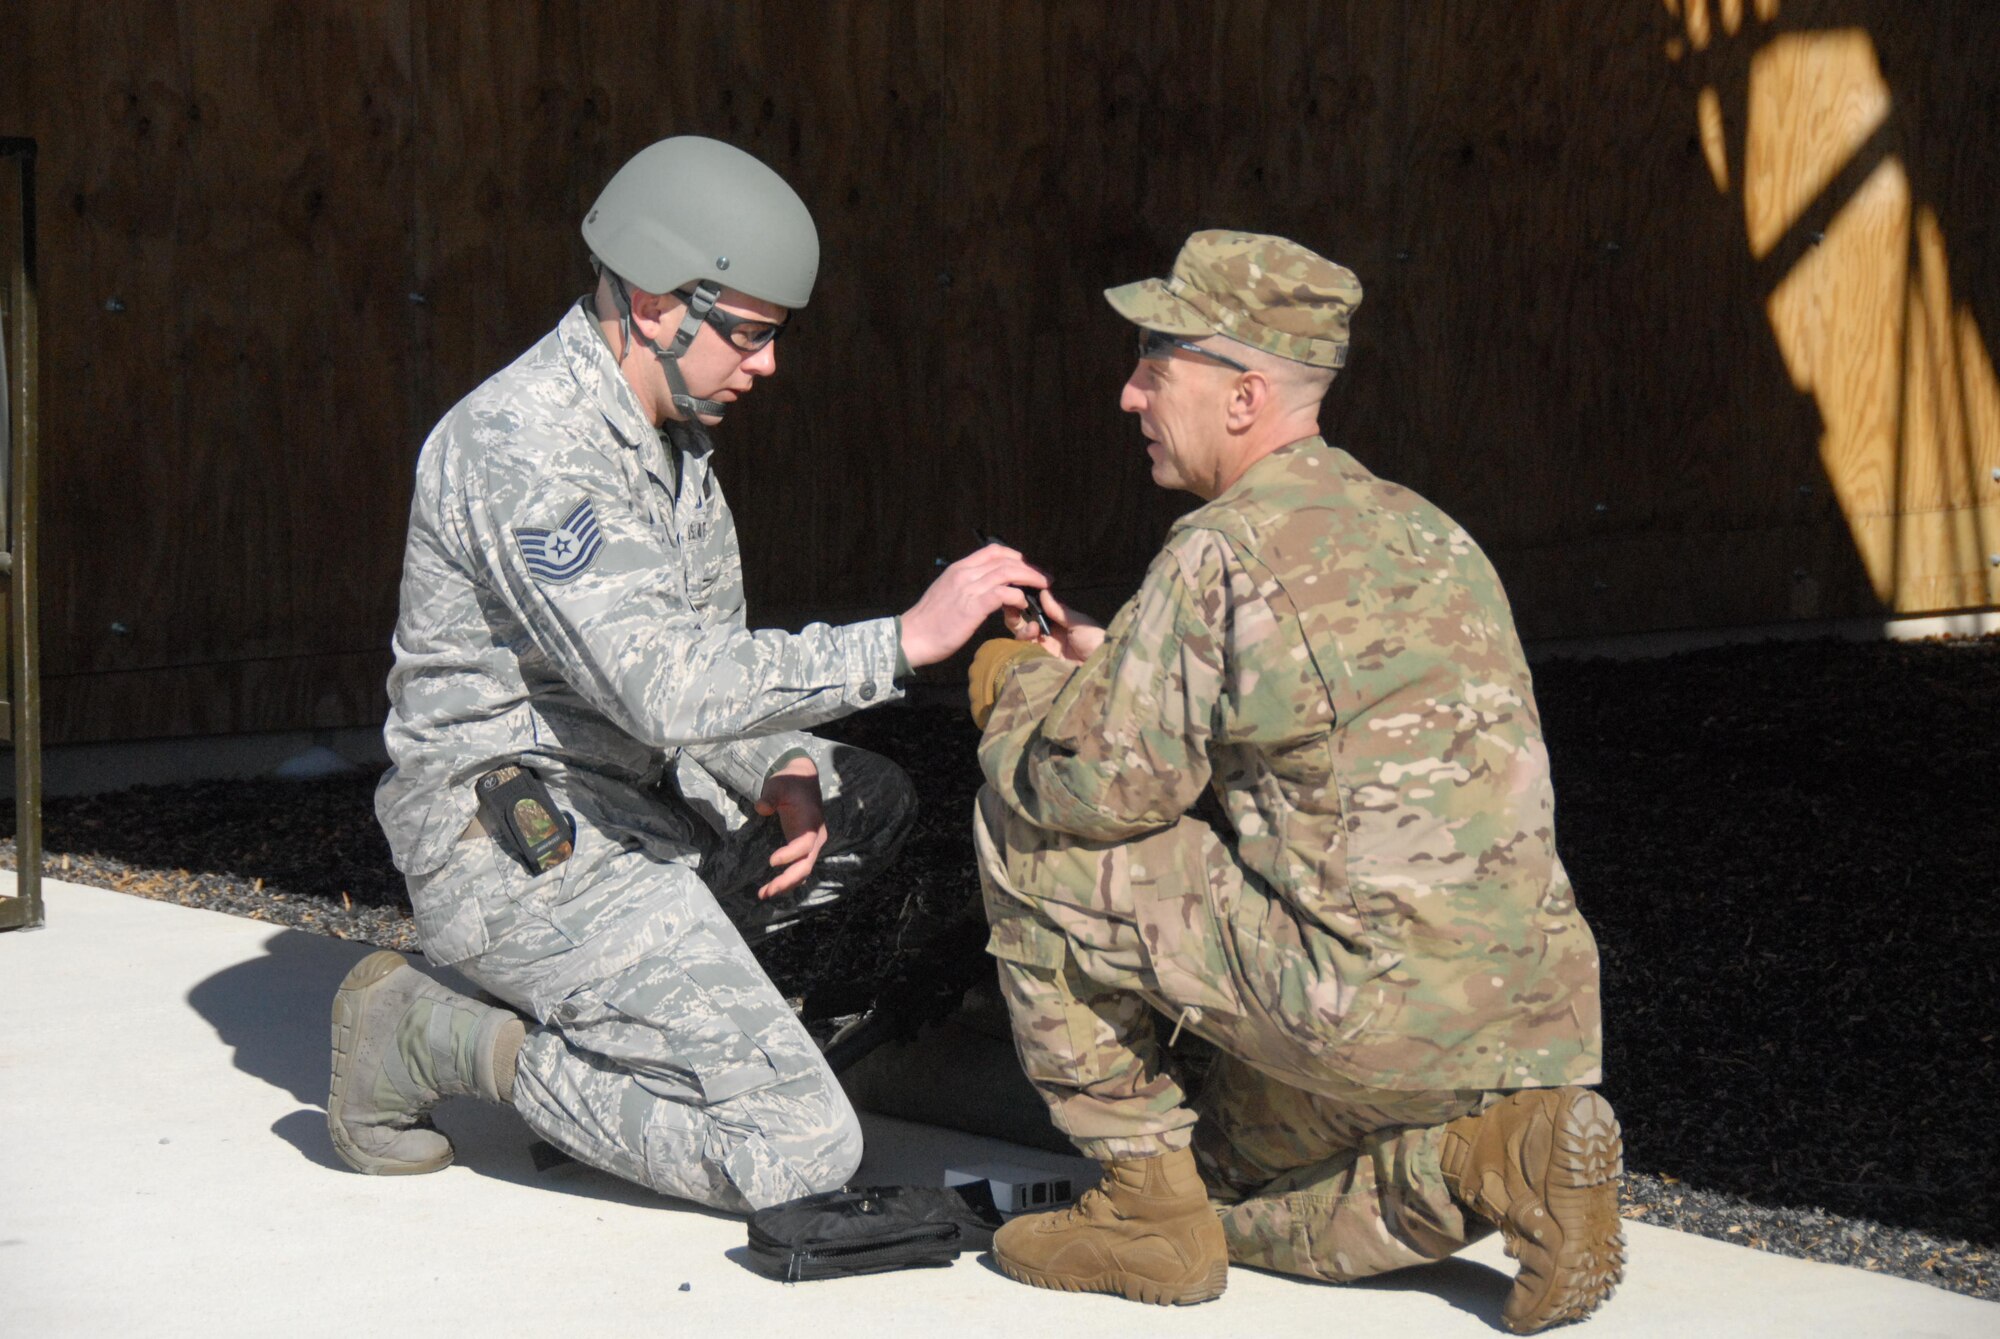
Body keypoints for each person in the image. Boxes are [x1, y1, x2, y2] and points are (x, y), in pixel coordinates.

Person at [326, 136, 1045, 1213]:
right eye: (748, 335)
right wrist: (899, 641)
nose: (765, 366)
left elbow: (702, 663)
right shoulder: (525, 446)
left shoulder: (671, 435)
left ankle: (638, 1053)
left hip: (634, 796)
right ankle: (434, 1034)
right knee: (796, 1149)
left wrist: (773, 762)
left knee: (859, 793)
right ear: (658, 302)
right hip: (519, 837)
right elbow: (661, 687)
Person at [965, 231, 1620, 1332]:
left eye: (1154, 367)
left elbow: (1092, 791)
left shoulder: (1220, 551)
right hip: (1518, 1014)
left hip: (1351, 1003)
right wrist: (1116, 661)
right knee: (1235, 1196)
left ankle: (1138, 1204)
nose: (1128, 394)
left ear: (1242, 396)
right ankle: (1489, 1155)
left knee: (1024, 819)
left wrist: (1016, 684)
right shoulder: (1428, 529)